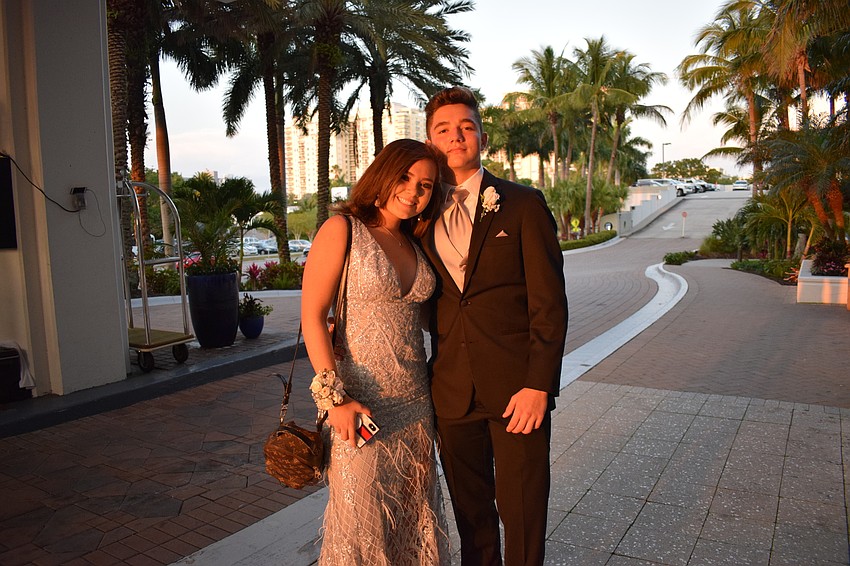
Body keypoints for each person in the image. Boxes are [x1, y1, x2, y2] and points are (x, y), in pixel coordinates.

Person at [421, 86, 569, 566]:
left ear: (482, 137)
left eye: (466, 127)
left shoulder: (523, 204)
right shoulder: (417, 213)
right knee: (472, 517)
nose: (456, 136)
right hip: (451, 393)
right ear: (430, 141)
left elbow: (550, 305)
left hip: (517, 391)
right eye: (444, 129)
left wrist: (539, 385)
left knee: (523, 511)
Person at [301, 138, 450, 565]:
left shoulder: (415, 242)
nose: (413, 191)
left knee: (412, 526)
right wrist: (335, 401)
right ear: (383, 174)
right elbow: (312, 316)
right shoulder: (343, 229)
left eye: (425, 185)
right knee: (360, 532)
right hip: (359, 409)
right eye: (405, 177)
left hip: (416, 407)